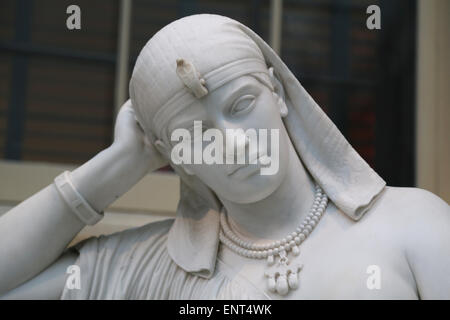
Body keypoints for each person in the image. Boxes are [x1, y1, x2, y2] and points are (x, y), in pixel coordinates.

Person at [0, 14, 449, 300]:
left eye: (241, 105)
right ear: (177, 157)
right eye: (194, 135)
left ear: (277, 92)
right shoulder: (143, 267)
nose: (232, 142)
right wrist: (122, 161)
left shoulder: (411, 224)